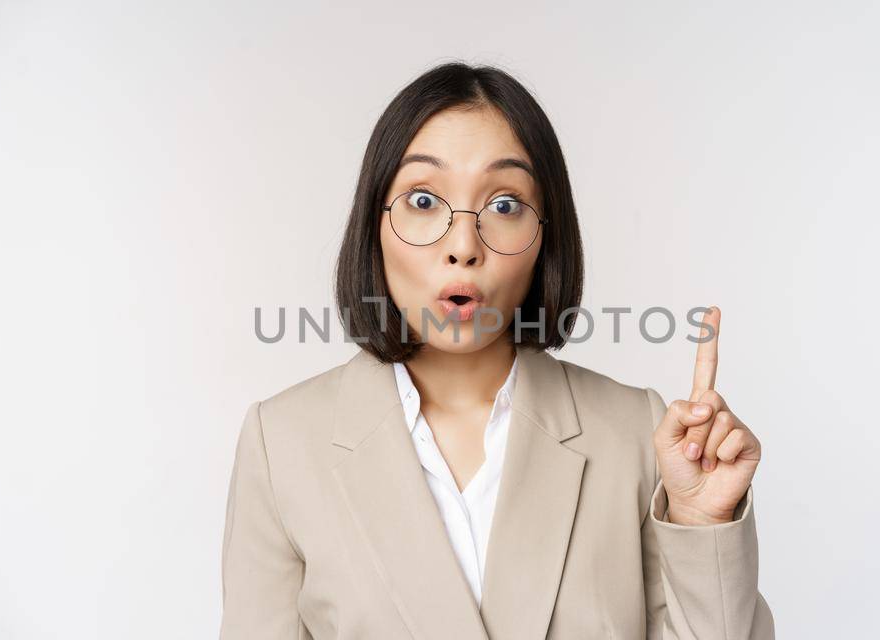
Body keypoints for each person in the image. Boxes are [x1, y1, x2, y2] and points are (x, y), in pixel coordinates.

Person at [221, 62, 774, 639]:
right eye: (424, 200)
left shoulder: (636, 431)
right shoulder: (281, 444)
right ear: (373, 226)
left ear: (545, 238)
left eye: (505, 205)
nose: (463, 245)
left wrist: (702, 525)